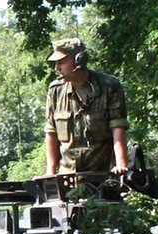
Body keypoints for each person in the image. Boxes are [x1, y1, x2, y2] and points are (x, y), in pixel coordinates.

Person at [44, 37, 131, 176]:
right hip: (66, 177)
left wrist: (121, 165)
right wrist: (50, 174)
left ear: (80, 60)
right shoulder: (55, 90)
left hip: (102, 175)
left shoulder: (108, 86)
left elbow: (118, 127)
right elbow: (51, 132)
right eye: (56, 63)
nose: (57, 68)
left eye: (62, 62)